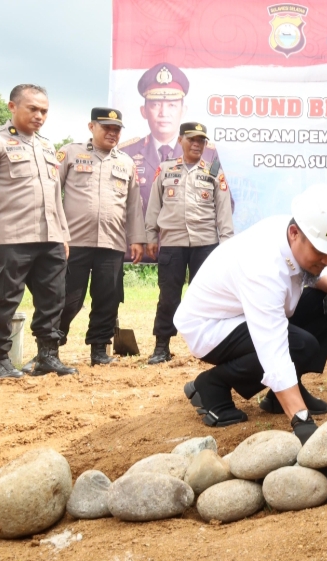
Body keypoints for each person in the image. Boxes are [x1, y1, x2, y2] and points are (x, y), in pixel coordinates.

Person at [177, 184, 327, 443]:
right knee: (299, 345)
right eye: (321, 252)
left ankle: (276, 396)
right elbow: (272, 346)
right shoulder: (262, 265)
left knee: (326, 305)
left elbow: (317, 266)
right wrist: (301, 421)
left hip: (249, 310)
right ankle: (212, 385)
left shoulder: (296, 229)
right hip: (211, 325)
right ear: (294, 234)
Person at [0, 84, 76, 379]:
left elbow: (55, 195)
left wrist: (63, 235)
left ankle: (48, 356)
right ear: (12, 106)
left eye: (44, 111)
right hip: (11, 238)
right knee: (3, 301)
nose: (39, 115)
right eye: (32, 108)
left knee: (53, 299)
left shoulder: (46, 146)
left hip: (50, 238)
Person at [55, 108, 146, 366]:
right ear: (91, 126)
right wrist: (56, 232)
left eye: (117, 129)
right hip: (74, 241)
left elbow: (133, 205)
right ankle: (49, 349)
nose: (112, 133)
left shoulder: (126, 162)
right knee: (68, 299)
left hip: (112, 242)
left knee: (108, 298)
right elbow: (52, 193)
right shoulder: (70, 153)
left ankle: (99, 351)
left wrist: (136, 239)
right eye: (107, 127)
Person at [145, 122, 234, 364]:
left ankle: (208, 349)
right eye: (192, 139)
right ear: (180, 140)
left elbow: (224, 212)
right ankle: (161, 347)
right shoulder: (166, 169)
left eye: (201, 141)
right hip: (172, 243)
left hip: (206, 244)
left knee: (206, 299)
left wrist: (226, 246)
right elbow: (153, 206)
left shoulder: (214, 172)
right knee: (168, 297)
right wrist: (151, 236)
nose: (197, 144)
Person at [118, 63, 224, 217]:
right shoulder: (126, 154)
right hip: (142, 233)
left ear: (183, 110)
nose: (164, 113)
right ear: (144, 111)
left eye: (172, 105)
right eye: (156, 105)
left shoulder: (208, 154)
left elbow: (225, 203)